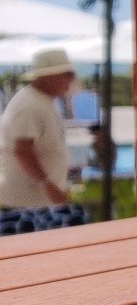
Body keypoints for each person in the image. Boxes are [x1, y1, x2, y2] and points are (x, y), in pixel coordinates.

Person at [0, 48, 77, 209]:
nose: (72, 80)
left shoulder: (40, 100)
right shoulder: (29, 105)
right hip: (25, 202)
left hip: (36, 201)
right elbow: (22, 150)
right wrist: (47, 184)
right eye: (68, 74)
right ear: (48, 77)